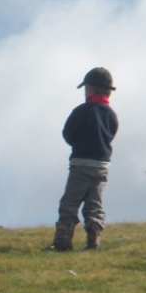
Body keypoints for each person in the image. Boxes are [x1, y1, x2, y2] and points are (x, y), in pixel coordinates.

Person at [49, 67, 119, 251]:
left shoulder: (81, 111)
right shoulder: (111, 114)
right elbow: (111, 135)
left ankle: (63, 242)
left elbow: (68, 134)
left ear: (88, 88)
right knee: (94, 202)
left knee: (70, 202)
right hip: (102, 165)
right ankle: (93, 240)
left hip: (81, 163)